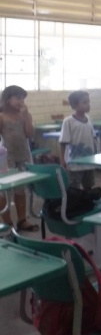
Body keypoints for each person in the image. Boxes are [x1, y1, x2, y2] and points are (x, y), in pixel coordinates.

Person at [0, 85, 38, 232]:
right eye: (17, 98)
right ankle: (8, 222)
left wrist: (26, 116)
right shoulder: (2, 116)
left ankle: (22, 220)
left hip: (23, 155)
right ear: (7, 100)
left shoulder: (25, 115)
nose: (21, 101)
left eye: (23, 98)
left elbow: (30, 134)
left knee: (21, 190)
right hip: (6, 158)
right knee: (3, 192)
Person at [59, 91, 97, 190]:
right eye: (85, 102)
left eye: (88, 101)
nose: (88, 104)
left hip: (89, 162)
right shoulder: (68, 121)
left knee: (88, 187)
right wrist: (62, 160)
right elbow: (63, 142)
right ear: (75, 105)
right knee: (74, 188)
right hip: (74, 164)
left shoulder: (89, 119)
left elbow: (92, 138)